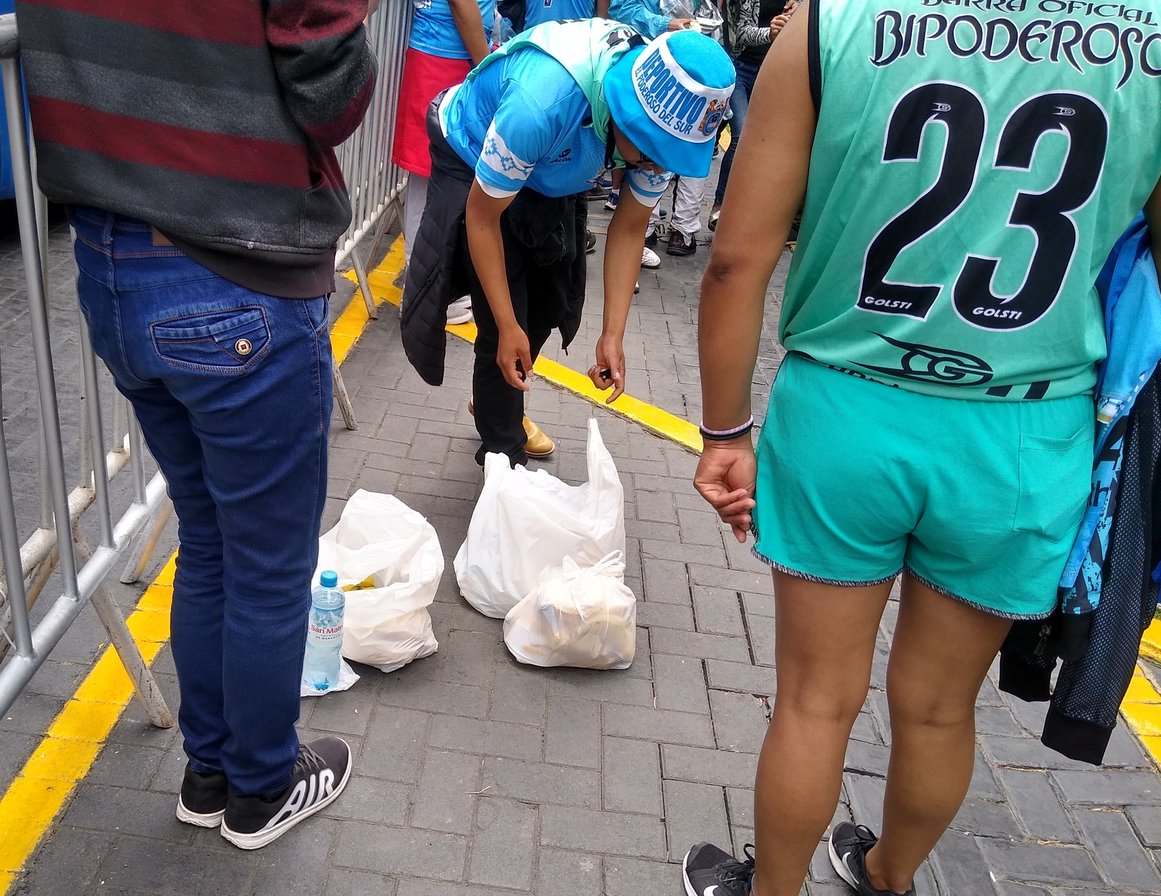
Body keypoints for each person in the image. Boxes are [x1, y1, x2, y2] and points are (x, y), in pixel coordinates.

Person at [684, 2, 1161, 896]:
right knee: (935, 709)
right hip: (1026, 431)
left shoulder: (829, 24)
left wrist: (726, 432)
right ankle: (888, 877)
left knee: (813, 700)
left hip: (846, 411)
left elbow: (736, 259)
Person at [14, 0, 377, 850]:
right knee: (267, 562)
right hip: (234, 264)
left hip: (110, 265)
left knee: (211, 537)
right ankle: (258, 790)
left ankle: (211, 771)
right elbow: (332, 91)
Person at [400, 19, 734, 466]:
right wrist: (506, 325)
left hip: (551, 167)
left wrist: (613, 333)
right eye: (654, 153)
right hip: (475, 152)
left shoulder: (661, 129)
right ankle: (503, 454)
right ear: (627, 116)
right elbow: (482, 219)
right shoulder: (540, 104)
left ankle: (497, 400)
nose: (660, 166)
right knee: (505, 322)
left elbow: (631, 228)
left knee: (549, 305)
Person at [393, 0, 495, 326]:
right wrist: (485, 65)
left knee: (431, 178)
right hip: (448, 55)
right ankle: (430, 292)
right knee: (438, 179)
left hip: (442, 52)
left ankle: (428, 288)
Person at [607, 0, 713, 257]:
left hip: (702, 75)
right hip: (650, 70)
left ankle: (683, 229)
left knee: (689, 148)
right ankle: (644, 228)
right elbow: (620, 8)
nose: (660, 167)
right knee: (650, 152)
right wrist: (664, 24)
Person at [706, 0, 791, 232]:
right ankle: (721, 204)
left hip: (776, 72)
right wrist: (771, 32)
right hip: (741, 70)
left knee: (770, 144)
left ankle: (753, 210)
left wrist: (801, 15)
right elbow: (742, 33)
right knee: (741, 136)